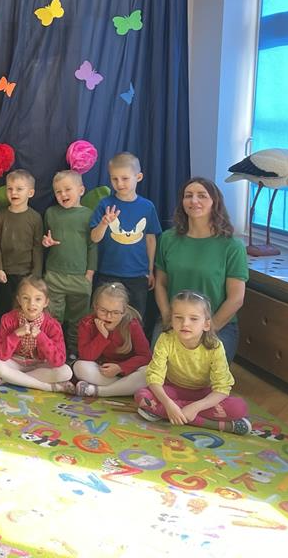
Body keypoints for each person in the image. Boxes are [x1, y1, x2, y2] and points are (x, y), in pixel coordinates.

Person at [154, 176, 248, 362]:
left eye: (202, 196)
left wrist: (209, 329)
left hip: (217, 326)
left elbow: (236, 298)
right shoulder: (167, 239)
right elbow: (160, 284)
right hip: (175, 323)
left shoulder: (232, 246)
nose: (194, 200)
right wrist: (167, 318)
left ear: (215, 202)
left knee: (204, 376)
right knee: (158, 372)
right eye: (188, 195)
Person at [135, 290, 251, 434]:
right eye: (178, 317)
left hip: (203, 395)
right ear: (171, 320)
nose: (185, 323)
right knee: (142, 396)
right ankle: (213, 424)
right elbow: (154, 378)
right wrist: (169, 404)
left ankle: (164, 413)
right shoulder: (166, 339)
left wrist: (195, 407)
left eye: (194, 319)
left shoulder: (215, 346)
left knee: (239, 407)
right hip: (173, 390)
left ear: (206, 324)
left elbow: (222, 388)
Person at [89, 152, 161, 340]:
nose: (119, 183)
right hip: (108, 272)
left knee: (134, 319)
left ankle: (134, 353)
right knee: (103, 317)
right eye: (114, 179)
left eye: (125, 178)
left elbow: (151, 239)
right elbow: (94, 238)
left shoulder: (147, 206)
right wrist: (104, 223)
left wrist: (150, 270)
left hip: (137, 275)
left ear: (138, 177)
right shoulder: (105, 204)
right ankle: (102, 350)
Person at [41, 170, 96, 357]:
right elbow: (44, 238)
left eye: (67, 189)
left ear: (81, 190)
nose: (63, 194)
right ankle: (51, 349)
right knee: (51, 316)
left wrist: (90, 273)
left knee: (78, 319)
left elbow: (93, 245)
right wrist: (45, 242)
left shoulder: (88, 215)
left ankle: (74, 351)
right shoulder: (51, 213)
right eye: (58, 191)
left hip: (80, 277)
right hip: (54, 275)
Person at [0, 275, 73, 392]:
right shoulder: (8, 319)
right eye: (26, 298)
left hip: (39, 366)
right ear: (19, 300)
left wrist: (41, 337)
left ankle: (9, 378)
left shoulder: (53, 325)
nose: (31, 303)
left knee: (66, 372)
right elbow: (0, 355)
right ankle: (46, 387)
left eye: (38, 299)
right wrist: (15, 335)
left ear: (46, 302)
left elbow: (58, 360)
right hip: (15, 363)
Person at [72, 282, 150, 397]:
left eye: (115, 312)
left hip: (128, 371)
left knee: (147, 372)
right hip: (103, 371)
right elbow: (86, 356)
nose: (108, 316)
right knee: (79, 366)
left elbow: (146, 356)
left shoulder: (131, 324)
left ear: (124, 312)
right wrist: (102, 336)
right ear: (95, 307)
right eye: (103, 311)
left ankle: (100, 391)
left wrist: (120, 368)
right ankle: (124, 388)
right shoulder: (87, 323)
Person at [0, 168, 44, 332]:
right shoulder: (1, 215)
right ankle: (2, 338)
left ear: (30, 193)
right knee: (4, 308)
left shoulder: (35, 218)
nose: (13, 192)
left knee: (24, 308)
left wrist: (36, 274)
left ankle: (24, 339)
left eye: (19, 189)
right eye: (10, 189)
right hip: (5, 273)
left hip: (26, 274)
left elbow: (37, 247)